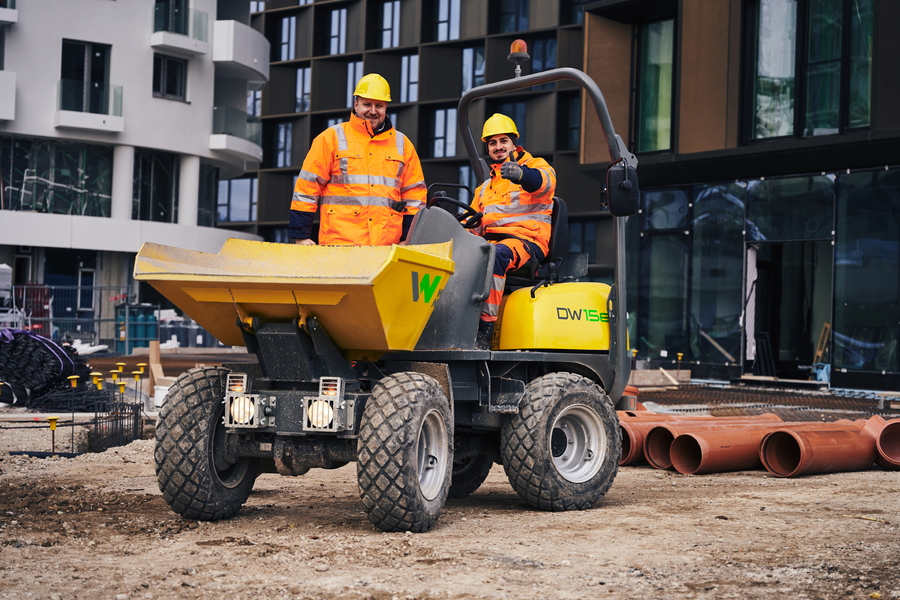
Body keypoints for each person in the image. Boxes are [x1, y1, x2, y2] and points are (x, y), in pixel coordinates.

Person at [289, 74, 426, 246]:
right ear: (356, 104)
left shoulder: (403, 144)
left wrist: (408, 238)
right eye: (367, 104)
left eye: (379, 105)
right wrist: (301, 236)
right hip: (338, 247)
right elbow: (307, 187)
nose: (373, 111)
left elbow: (415, 195)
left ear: (386, 107)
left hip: (386, 249)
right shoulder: (331, 138)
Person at [471, 113, 556, 350]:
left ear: (513, 143)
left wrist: (521, 175)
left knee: (495, 255)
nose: (498, 147)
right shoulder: (485, 187)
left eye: (503, 141)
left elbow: (544, 183)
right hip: (490, 244)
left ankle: (485, 329)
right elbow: (472, 223)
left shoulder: (535, 166)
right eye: (492, 143)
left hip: (527, 242)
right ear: (488, 148)